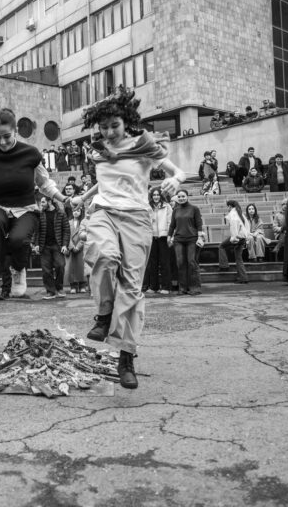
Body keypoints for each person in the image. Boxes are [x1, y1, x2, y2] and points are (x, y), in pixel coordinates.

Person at [70, 86, 186, 389]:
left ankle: (126, 358)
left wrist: (174, 181)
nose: (109, 132)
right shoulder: (99, 150)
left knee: (132, 288)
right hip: (104, 212)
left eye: (114, 126)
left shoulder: (144, 145)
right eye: (103, 127)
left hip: (136, 218)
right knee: (104, 256)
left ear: (127, 122)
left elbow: (178, 172)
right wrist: (84, 197)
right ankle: (104, 315)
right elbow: (106, 181)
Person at [0, 108, 66, 300]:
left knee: (17, 240)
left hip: (26, 208)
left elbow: (44, 183)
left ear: (16, 131)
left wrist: (63, 199)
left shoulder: (30, 154)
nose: (2, 142)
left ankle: (18, 269)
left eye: (6, 136)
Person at [33, 197, 70, 300]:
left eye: (43, 202)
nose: (41, 204)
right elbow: (36, 230)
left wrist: (65, 245)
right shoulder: (40, 214)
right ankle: (50, 291)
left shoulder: (61, 213)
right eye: (41, 202)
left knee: (60, 265)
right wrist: (36, 244)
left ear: (50, 202)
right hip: (44, 246)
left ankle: (59, 288)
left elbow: (66, 230)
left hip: (57, 245)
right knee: (46, 270)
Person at [168, 189, 203, 295]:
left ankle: (195, 287)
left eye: (183, 196)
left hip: (192, 239)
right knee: (180, 263)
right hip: (178, 239)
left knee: (191, 262)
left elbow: (199, 223)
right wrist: (169, 236)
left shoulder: (194, 209)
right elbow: (172, 225)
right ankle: (183, 287)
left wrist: (200, 237)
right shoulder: (175, 210)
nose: (181, 198)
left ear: (187, 197)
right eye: (179, 197)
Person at [143, 187, 172, 294]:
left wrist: (170, 235)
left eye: (158, 195)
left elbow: (170, 222)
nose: (156, 197)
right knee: (152, 263)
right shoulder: (148, 207)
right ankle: (153, 287)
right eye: (154, 195)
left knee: (164, 263)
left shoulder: (167, 206)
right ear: (151, 196)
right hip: (152, 238)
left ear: (161, 196)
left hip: (163, 237)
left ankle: (166, 287)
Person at [218, 200, 250, 284]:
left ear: (230, 206)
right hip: (243, 237)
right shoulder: (240, 213)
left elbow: (234, 227)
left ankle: (224, 266)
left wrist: (234, 238)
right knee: (239, 259)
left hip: (237, 237)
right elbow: (247, 225)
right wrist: (246, 237)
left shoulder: (233, 214)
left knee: (221, 246)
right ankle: (243, 278)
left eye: (227, 207)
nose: (227, 208)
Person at [64, 204, 87, 294]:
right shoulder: (68, 222)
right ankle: (73, 285)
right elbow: (66, 234)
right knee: (71, 268)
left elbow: (85, 235)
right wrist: (71, 246)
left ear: (81, 212)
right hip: (71, 248)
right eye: (74, 211)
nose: (75, 212)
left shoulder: (84, 222)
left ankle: (82, 285)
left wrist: (78, 246)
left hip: (80, 248)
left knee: (81, 267)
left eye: (78, 211)